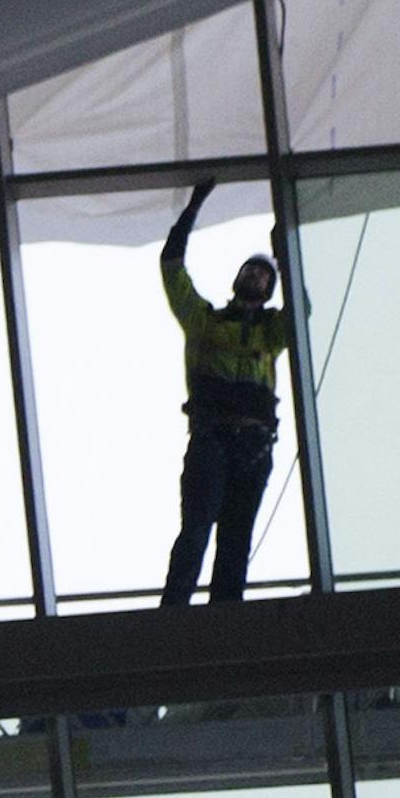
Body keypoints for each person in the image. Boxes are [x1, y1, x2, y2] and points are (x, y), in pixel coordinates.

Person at [158, 179, 287, 606]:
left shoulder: (272, 333)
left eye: (264, 274)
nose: (255, 275)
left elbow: (300, 313)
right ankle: (174, 611)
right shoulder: (204, 322)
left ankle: (224, 620)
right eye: (251, 269)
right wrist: (193, 208)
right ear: (238, 280)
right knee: (196, 531)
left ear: (270, 288)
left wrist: (286, 249)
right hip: (213, 440)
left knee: (235, 541)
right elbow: (172, 267)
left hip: (251, 446)